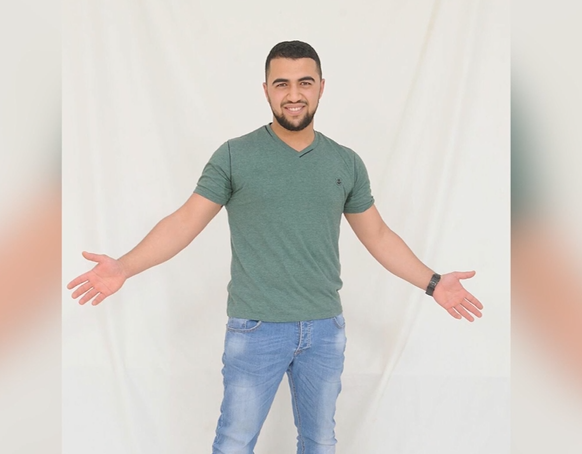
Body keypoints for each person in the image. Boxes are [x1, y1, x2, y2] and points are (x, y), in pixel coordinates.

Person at [67, 40, 483, 454]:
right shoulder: (235, 156)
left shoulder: (345, 162)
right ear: (266, 90)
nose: (294, 94)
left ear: (321, 87)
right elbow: (184, 222)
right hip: (255, 329)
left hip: (324, 329)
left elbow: (378, 236)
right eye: (281, 84)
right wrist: (123, 267)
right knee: (234, 443)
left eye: (305, 83)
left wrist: (433, 283)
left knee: (320, 442)